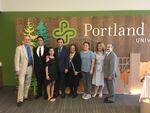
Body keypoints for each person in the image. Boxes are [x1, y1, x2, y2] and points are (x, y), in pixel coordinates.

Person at [14, 35, 33, 107]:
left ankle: (25, 96)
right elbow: (16, 60)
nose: (27, 40)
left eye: (29, 39)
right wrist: (17, 70)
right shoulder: (19, 48)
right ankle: (20, 99)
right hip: (22, 69)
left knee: (27, 83)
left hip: (30, 67)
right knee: (21, 84)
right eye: (26, 39)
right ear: (23, 40)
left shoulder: (31, 48)